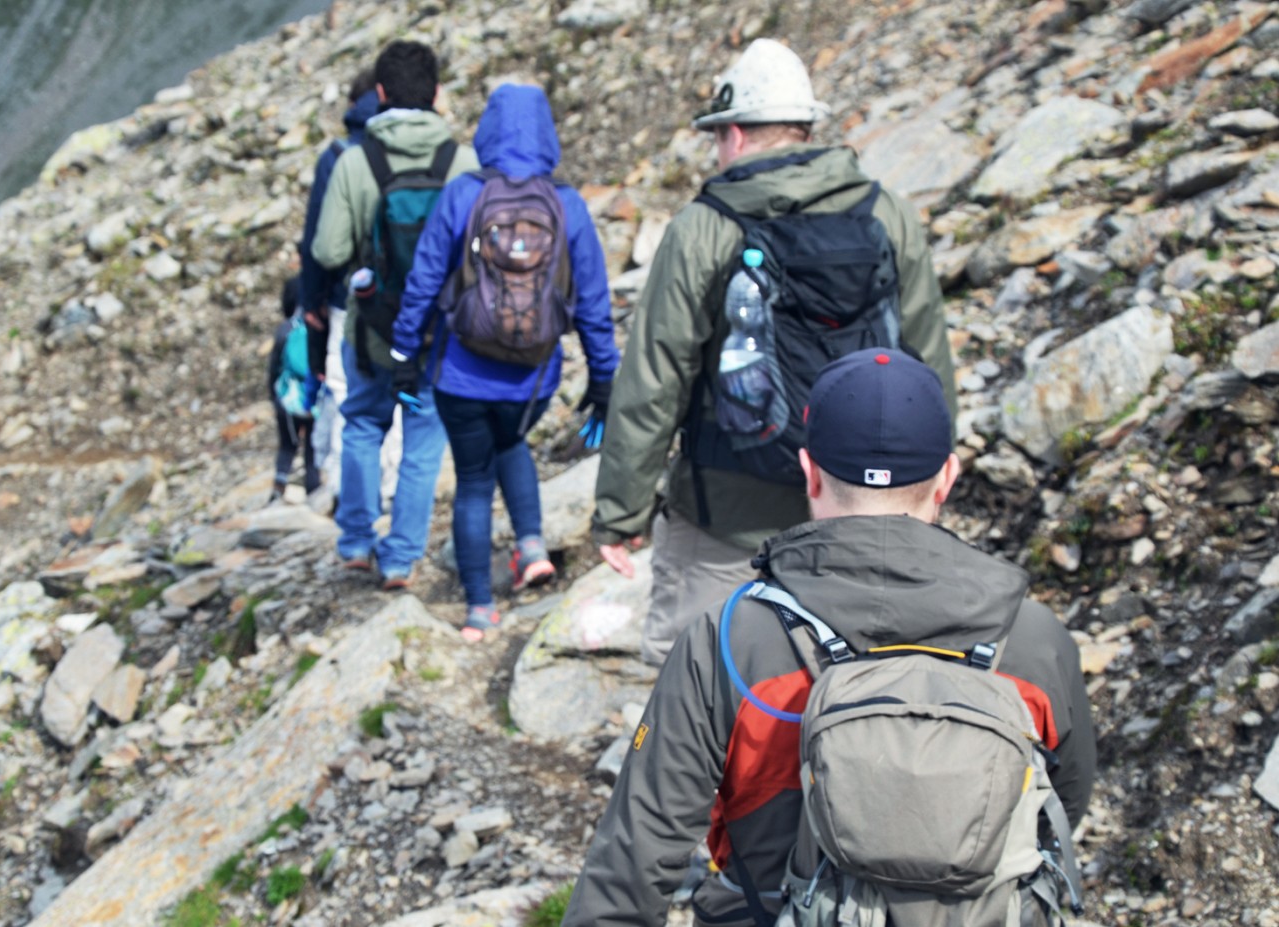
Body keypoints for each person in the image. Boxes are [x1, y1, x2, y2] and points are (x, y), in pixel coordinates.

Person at [563, 348, 1096, 927]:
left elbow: (638, 854)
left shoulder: (731, 638)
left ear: (809, 471)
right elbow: (1060, 810)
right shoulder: (1033, 638)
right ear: (947, 477)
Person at [592, 38, 957, 666]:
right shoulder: (888, 214)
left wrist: (619, 513)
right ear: (805, 126)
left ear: (734, 134)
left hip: (725, 516)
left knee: (699, 686)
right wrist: (924, 490)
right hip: (857, 513)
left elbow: (655, 380)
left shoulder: (704, 227)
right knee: (842, 684)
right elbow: (925, 365)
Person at [390, 83, 620, 640]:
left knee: (473, 480)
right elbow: (593, 300)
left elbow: (423, 281)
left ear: (488, 130)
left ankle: (479, 610)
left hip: (460, 373)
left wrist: (403, 353)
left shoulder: (463, 195)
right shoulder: (566, 205)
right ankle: (532, 546)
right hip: (533, 378)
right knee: (512, 444)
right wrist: (604, 377)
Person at [311, 40, 479, 588]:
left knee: (363, 423)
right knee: (424, 438)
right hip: (441, 333)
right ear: (437, 93)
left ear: (380, 94)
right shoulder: (463, 163)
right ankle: (401, 557)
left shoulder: (355, 162)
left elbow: (328, 251)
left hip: (373, 329)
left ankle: (356, 541)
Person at [299, 69, 380, 508]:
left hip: (346, 295)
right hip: (406, 294)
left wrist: (311, 298)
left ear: (353, 105)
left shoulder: (337, 156)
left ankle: (340, 487)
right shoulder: (417, 148)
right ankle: (388, 484)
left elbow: (320, 241)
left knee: (344, 388)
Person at [268, 276, 321, 504]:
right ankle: (314, 491)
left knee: (287, 446)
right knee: (312, 447)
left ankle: (278, 488)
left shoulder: (285, 329)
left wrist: (274, 397)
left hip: (288, 398)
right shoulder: (319, 325)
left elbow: (274, 368)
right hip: (314, 398)